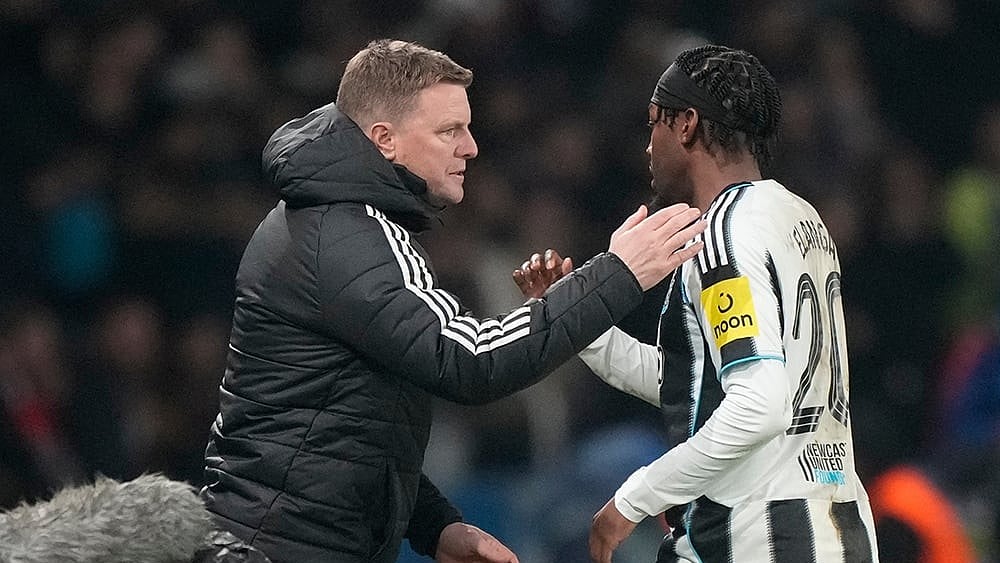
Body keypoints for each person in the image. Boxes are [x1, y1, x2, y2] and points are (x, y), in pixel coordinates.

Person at [201, 39, 707, 563]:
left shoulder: (338, 219)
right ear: (385, 140)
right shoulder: (345, 232)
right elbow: (469, 360)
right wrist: (618, 273)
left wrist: (434, 525)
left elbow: (347, 429)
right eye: (449, 131)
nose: (471, 147)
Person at [517, 44, 879, 562]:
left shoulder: (725, 229)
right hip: (838, 530)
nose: (647, 146)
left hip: (757, 538)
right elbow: (696, 384)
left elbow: (757, 404)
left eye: (652, 125)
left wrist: (633, 500)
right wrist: (574, 316)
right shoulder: (802, 218)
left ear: (686, 124)